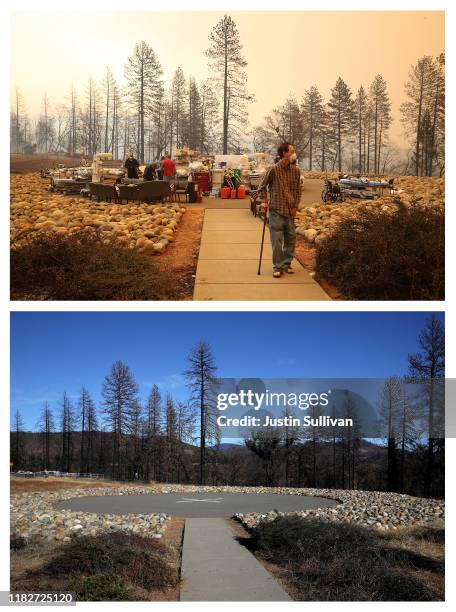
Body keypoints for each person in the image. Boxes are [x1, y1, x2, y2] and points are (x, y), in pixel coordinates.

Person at [258, 142, 301, 278]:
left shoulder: (296, 170)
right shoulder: (273, 169)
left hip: (290, 210)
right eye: (292, 151)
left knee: (291, 239)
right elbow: (262, 186)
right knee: (277, 240)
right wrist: (265, 201)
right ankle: (278, 266)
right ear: (284, 153)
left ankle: (286, 264)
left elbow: (297, 190)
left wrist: (296, 206)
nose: (294, 154)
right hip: (276, 209)